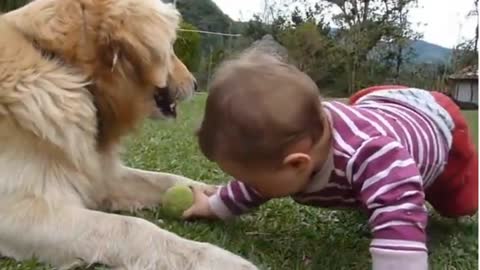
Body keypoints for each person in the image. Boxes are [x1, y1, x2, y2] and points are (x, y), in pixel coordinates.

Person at [183, 52, 478, 270]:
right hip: (375, 104)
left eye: (249, 179)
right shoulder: (292, 139)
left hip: (433, 121)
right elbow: (257, 186)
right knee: (373, 192)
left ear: (298, 163)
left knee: (460, 203)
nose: (246, 186)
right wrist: (212, 205)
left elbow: (400, 215)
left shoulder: (376, 157)